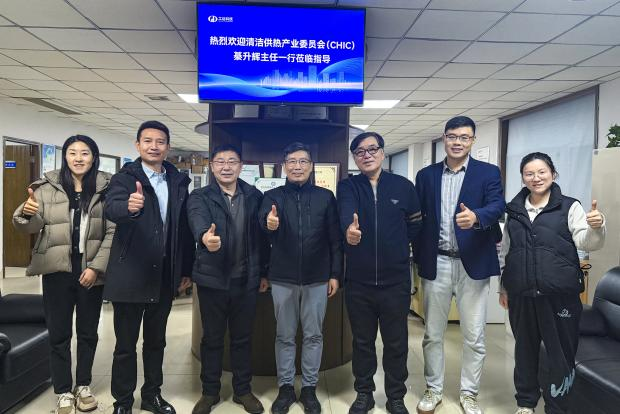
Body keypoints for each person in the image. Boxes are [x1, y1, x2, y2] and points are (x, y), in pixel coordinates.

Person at [13, 135, 115, 414]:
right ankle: (62, 390)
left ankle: (83, 385)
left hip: (91, 268)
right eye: (72, 152)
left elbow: (112, 231)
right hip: (57, 268)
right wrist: (26, 213)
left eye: (85, 153)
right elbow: (28, 226)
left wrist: (96, 267)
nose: (78, 158)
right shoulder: (46, 188)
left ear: (94, 157)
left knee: (88, 332)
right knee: (59, 333)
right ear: (65, 156)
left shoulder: (106, 188)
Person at [498, 152, 605, 414]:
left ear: (553, 174)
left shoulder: (569, 206)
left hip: (560, 295)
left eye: (542, 172)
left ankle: (557, 406)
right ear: (523, 178)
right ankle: (526, 403)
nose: (536, 178)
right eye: (529, 173)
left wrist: (596, 227)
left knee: (560, 354)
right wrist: (504, 287)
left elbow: (587, 242)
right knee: (524, 351)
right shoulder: (514, 210)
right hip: (522, 294)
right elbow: (507, 252)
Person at [414, 116, 505, 414]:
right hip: (437, 261)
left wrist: (477, 217)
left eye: (464, 137)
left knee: (474, 336)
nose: (457, 142)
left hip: (473, 264)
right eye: (452, 136)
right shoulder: (426, 175)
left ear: (472, 141)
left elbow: (497, 206)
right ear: (444, 138)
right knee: (432, 334)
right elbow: (417, 216)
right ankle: (433, 389)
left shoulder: (488, 173)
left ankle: (469, 393)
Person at [103, 120, 194, 414]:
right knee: (125, 345)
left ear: (167, 147)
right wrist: (128, 207)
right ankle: (123, 402)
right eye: (148, 141)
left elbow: (183, 229)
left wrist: (185, 269)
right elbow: (111, 208)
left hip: (164, 274)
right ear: (138, 145)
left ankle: (152, 395)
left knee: (156, 342)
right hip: (131, 273)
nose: (154, 146)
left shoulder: (178, 181)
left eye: (160, 141)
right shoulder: (125, 178)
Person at [337, 132, 422, 414]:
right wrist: (349, 231)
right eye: (360, 152)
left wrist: (397, 246)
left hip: (395, 282)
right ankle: (364, 393)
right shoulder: (348, 187)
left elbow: (415, 224)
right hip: (359, 282)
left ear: (382, 153)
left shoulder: (403, 186)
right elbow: (346, 214)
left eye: (372, 149)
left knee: (396, 343)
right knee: (362, 342)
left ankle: (396, 396)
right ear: (355, 158)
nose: (367, 155)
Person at [258, 142, 343, 414]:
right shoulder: (272, 197)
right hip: (282, 278)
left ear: (311, 166)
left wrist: (335, 274)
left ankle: (308, 388)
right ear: (284, 166)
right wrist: (268, 223)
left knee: (313, 335)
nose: (297, 166)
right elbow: (262, 228)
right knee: (284, 336)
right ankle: (285, 388)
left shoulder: (325, 197)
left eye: (303, 161)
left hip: (318, 278)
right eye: (292, 161)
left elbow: (335, 239)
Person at [187, 144, 270, 414]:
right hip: (213, 281)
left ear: (240, 166)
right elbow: (197, 220)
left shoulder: (254, 196)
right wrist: (205, 237)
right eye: (220, 161)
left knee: (242, 339)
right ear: (212, 167)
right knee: (212, 339)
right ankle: (210, 392)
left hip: (246, 281)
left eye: (232, 161)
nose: (226, 166)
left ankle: (242, 390)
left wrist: (263, 272)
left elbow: (261, 239)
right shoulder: (200, 196)